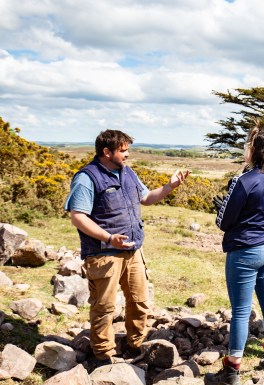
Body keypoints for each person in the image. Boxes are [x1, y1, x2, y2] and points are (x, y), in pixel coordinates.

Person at [64, 129, 189, 367]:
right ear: (106, 151)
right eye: (123, 150)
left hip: (133, 251)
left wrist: (170, 186)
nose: (128, 155)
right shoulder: (87, 178)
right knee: (104, 307)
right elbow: (78, 216)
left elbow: (146, 198)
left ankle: (135, 345)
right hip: (104, 254)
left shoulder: (127, 172)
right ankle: (102, 355)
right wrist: (109, 238)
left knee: (140, 301)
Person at [205, 128, 264, 385]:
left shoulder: (244, 181)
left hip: (245, 250)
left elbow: (224, 221)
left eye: (247, 145)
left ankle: (232, 371)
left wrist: (223, 210)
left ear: (254, 150)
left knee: (240, 311)